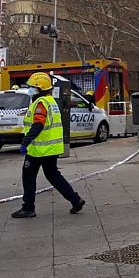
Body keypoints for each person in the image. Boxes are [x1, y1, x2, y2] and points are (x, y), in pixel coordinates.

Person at [11, 72, 85, 219]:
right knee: (53, 175)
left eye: (32, 87)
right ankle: (75, 200)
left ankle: (28, 208)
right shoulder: (50, 101)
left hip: (39, 149)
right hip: (51, 148)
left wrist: (26, 142)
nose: (30, 89)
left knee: (28, 175)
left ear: (40, 88)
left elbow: (38, 124)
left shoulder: (41, 103)